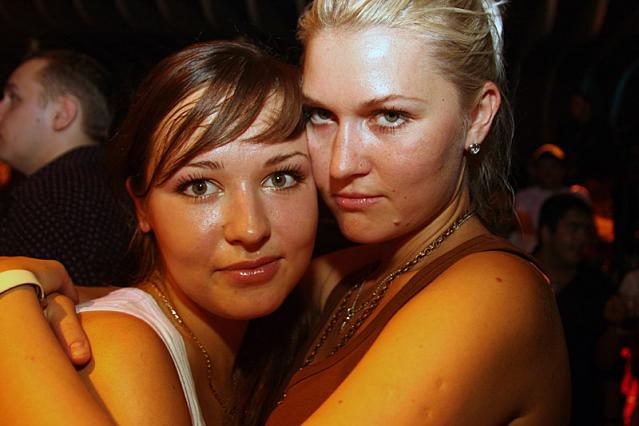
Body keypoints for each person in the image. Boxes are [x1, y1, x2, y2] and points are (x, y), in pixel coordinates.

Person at [4, 1, 571, 424]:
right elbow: (180, 297)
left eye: (390, 117)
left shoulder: (491, 294)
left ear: (478, 115)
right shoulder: (351, 277)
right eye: (321, 115)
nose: (341, 164)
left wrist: (8, 309)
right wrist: (59, 289)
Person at [0, 40, 318, 425]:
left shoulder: (275, 334)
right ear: (142, 207)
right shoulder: (118, 348)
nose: (250, 228)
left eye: (281, 178)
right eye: (199, 186)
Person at [0, 50, 132, 285]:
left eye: (14, 97)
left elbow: (31, 300)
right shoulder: (114, 181)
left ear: (61, 114)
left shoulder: (48, 196)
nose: (1, 109)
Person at [533, 193, 618, 425]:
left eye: (586, 230)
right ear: (546, 232)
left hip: (582, 410)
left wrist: (615, 327)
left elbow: (606, 365)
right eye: (573, 228)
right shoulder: (516, 276)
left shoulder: (598, 287)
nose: (582, 238)